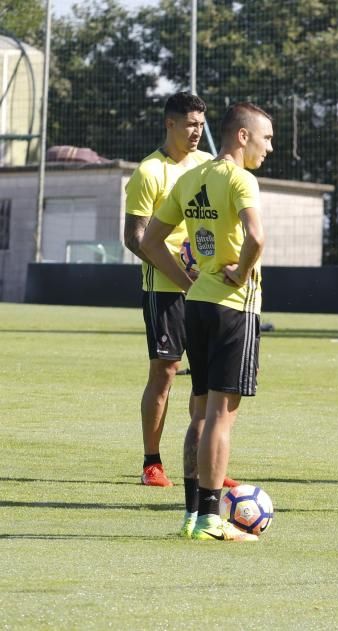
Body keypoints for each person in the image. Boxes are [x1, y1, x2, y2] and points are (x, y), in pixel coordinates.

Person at [141, 102, 273, 542]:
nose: (268, 148)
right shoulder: (241, 179)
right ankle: (214, 520)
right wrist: (241, 270)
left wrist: (187, 279)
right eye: (266, 138)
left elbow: (151, 240)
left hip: (196, 305)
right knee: (221, 415)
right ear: (242, 136)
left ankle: (192, 516)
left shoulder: (192, 177)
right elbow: (256, 236)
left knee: (199, 411)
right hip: (233, 307)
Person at [122, 91, 236, 489]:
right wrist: (181, 277)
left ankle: (206, 462)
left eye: (202, 125)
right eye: (190, 124)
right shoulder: (150, 172)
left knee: (208, 378)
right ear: (169, 123)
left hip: (205, 288)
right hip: (165, 289)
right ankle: (151, 463)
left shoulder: (208, 165)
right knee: (165, 371)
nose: (197, 132)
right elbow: (135, 238)